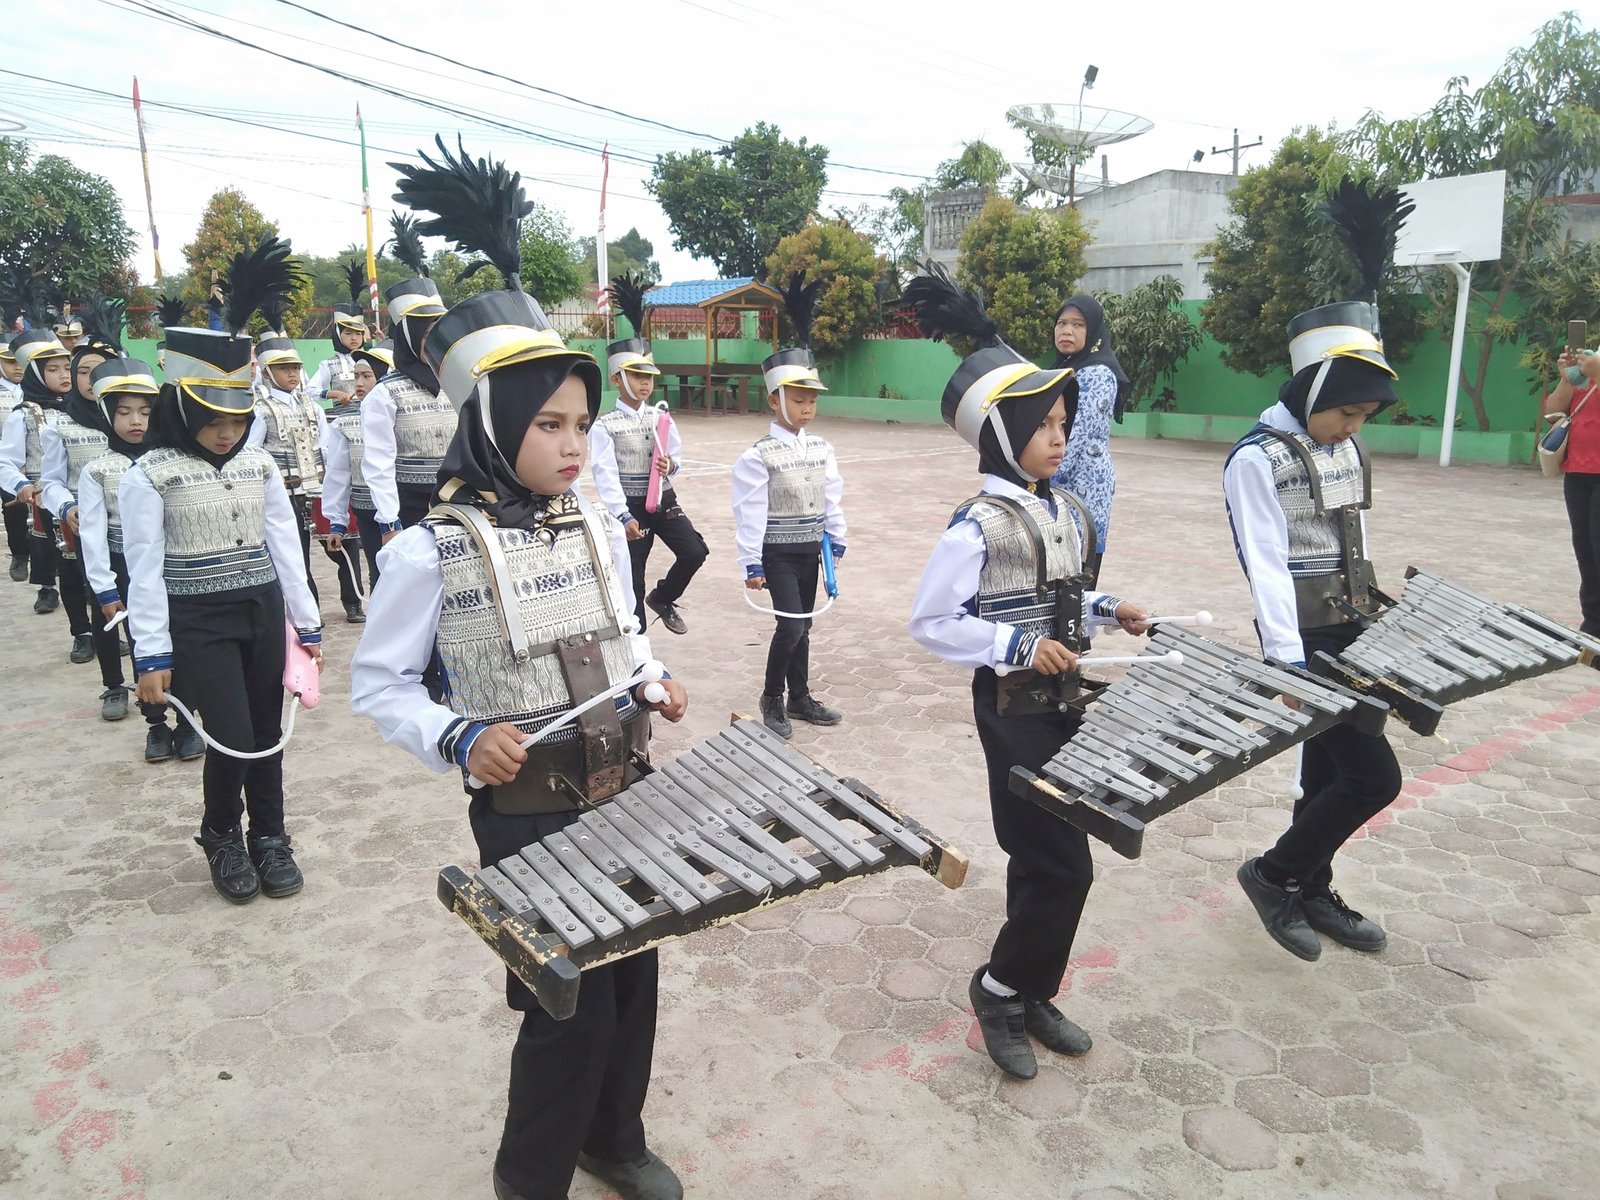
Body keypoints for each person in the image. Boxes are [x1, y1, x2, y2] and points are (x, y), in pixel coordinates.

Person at [351, 137, 687, 1200]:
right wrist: (457, 736)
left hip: (624, 786)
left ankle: (614, 1138)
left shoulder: (591, 525)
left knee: (635, 978)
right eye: (548, 425)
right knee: (562, 1005)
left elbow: (623, 632)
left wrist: (650, 679)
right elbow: (380, 686)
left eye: (581, 424)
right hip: (528, 809)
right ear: (493, 425)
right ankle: (531, 1174)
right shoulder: (426, 550)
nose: (574, 445)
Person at [902, 265, 1152, 1080]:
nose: (1058, 434)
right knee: (1060, 864)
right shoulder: (975, 525)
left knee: (1053, 860)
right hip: (1011, 706)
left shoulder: (1064, 507)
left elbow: (1065, 590)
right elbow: (932, 622)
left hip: (1066, 701)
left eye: (1060, 419)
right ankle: (998, 986)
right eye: (1042, 424)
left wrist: (1113, 609)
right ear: (1001, 436)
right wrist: (1013, 648)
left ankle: (1033, 989)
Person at [1223, 296, 1403, 962]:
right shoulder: (1256, 459)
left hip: (1354, 627)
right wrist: (1285, 663)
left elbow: (1356, 534)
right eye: (1347, 411)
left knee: (1325, 774)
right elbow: (1265, 565)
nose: (1353, 427)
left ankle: (1311, 886)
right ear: (1312, 390)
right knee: (1374, 778)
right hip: (1307, 639)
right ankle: (1272, 875)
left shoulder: (1345, 447)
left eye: (1363, 417)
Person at [122, 326, 322, 904]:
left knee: (266, 735)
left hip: (262, 612)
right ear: (182, 410)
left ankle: (269, 836)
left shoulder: (258, 463)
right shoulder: (149, 473)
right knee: (231, 736)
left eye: (236, 420)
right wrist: (152, 652)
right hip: (197, 621)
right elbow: (144, 567)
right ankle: (221, 833)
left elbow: (286, 546)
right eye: (212, 420)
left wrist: (306, 627)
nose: (226, 432)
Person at [730, 274, 847, 740]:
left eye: (811, 400)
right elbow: (749, 512)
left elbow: (831, 493)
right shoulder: (756, 456)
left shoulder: (821, 447)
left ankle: (800, 697)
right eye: (798, 399)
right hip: (776, 553)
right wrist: (751, 562)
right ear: (773, 398)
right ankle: (772, 697)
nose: (806, 408)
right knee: (791, 627)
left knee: (806, 627)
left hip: (810, 551)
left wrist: (837, 537)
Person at [77, 357, 199, 758]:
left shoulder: (171, 462)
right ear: (107, 414)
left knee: (182, 643)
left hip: (176, 569)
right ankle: (156, 726)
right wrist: (104, 588)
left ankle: (187, 722)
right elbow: (92, 534)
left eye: (145, 412)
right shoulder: (98, 469)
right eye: (124, 412)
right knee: (145, 646)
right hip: (127, 573)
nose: (136, 421)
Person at [589, 273, 708, 634]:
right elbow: (604, 474)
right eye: (636, 375)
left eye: (649, 376)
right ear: (616, 379)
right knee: (633, 578)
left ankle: (664, 596)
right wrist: (622, 516)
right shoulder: (604, 426)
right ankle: (638, 652)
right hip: (632, 508)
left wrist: (670, 464)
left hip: (664, 499)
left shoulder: (660, 416)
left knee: (694, 552)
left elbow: (675, 455)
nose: (644, 382)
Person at [42, 305, 132, 708]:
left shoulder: (139, 420)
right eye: (82, 371)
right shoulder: (60, 424)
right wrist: (66, 508)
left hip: (138, 530)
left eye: (101, 369)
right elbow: (51, 482)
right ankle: (113, 684)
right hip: (89, 529)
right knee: (103, 601)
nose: (91, 379)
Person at [249, 336, 366, 622]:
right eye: (283, 368)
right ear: (266, 373)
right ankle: (308, 608)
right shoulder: (260, 410)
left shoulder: (312, 406)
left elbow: (328, 448)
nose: (292, 374)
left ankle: (353, 602)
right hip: (284, 491)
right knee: (295, 552)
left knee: (345, 542)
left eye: (295, 368)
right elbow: (254, 453)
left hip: (319, 487)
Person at [361, 260, 455, 543]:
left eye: (440, 334)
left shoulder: (459, 384)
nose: (435, 343)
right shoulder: (385, 394)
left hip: (460, 503)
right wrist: (390, 522)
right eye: (427, 335)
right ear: (409, 336)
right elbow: (379, 462)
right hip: (410, 508)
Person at [1047, 295, 1129, 580]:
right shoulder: (1068, 368)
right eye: (1061, 323)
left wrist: (1041, 477)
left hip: (1082, 484)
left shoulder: (1096, 374)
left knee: (1076, 573)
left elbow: (1077, 434)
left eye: (1078, 324)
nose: (1066, 330)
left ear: (1092, 332)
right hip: (1063, 481)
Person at [0, 329, 71, 615]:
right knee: (43, 544)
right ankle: (47, 589)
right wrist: (21, 485)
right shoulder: (23, 414)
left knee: (75, 558)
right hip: (40, 494)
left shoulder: (81, 411)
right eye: (53, 370)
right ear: (37, 374)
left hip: (75, 494)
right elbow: (5, 461)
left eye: (68, 368)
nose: (64, 375)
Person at [324, 341, 392, 587]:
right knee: (379, 574)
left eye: (367, 376)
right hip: (366, 511)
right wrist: (337, 522)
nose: (359, 383)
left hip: (401, 510)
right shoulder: (345, 423)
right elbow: (338, 474)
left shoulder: (399, 416)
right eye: (356, 376)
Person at [1546, 345, 1600, 636]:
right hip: (1578, 471)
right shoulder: (1588, 368)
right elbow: (1553, 412)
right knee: (1586, 549)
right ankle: (1592, 625)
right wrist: (1567, 379)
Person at [1, 342, 31, 581]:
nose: (18, 367)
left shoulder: (34, 388)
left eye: (21, 362)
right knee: (13, 509)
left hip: (34, 458)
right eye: (11, 362)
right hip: (7, 460)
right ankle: (20, 554)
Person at [306, 302, 367, 407]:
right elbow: (309, 391)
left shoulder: (370, 360)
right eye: (348, 333)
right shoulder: (329, 364)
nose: (354, 338)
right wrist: (335, 394)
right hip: (342, 419)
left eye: (358, 334)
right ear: (338, 335)